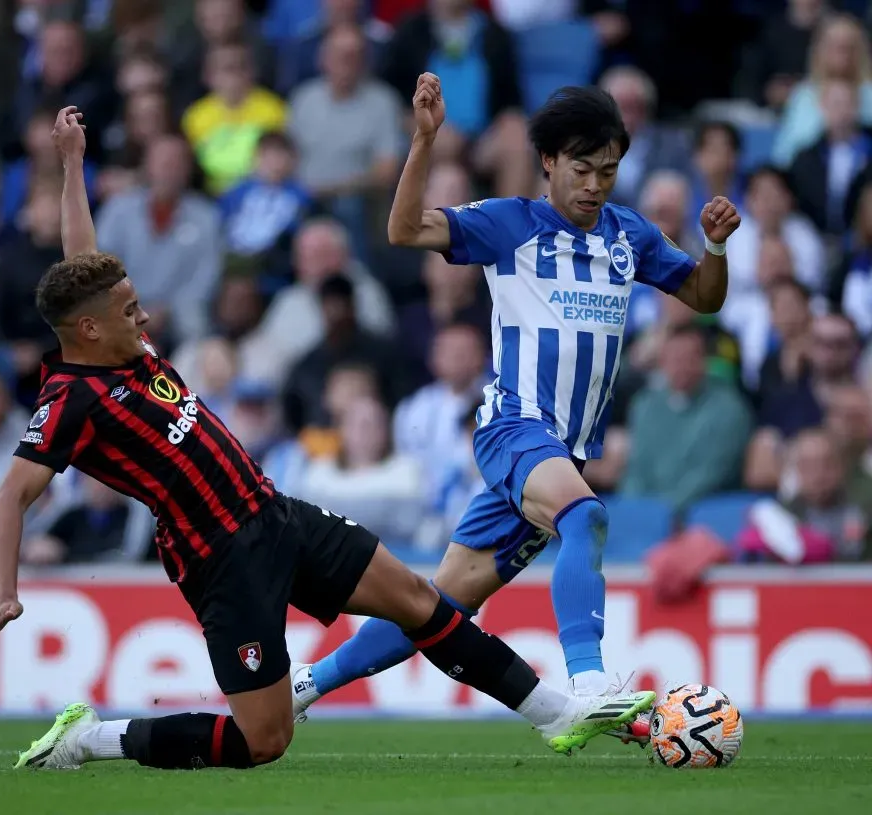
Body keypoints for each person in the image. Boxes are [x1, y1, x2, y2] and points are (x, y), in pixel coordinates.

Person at [0, 107, 655, 773]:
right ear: (88, 330)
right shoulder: (69, 402)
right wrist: (3, 591)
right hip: (219, 559)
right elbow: (10, 497)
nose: (143, 316)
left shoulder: (124, 344)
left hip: (274, 512)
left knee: (420, 601)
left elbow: (82, 263)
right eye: (128, 310)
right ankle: (93, 739)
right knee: (263, 741)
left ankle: (557, 714)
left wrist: (73, 166)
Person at [291, 76, 741, 745]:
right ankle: (589, 684)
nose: (595, 185)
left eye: (608, 171)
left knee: (434, 606)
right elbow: (403, 228)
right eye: (582, 169)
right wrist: (424, 140)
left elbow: (704, 297)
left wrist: (716, 247)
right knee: (585, 515)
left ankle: (300, 686)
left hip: (564, 450)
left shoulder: (630, 236)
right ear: (549, 162)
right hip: (514, 427)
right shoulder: (511, 224)